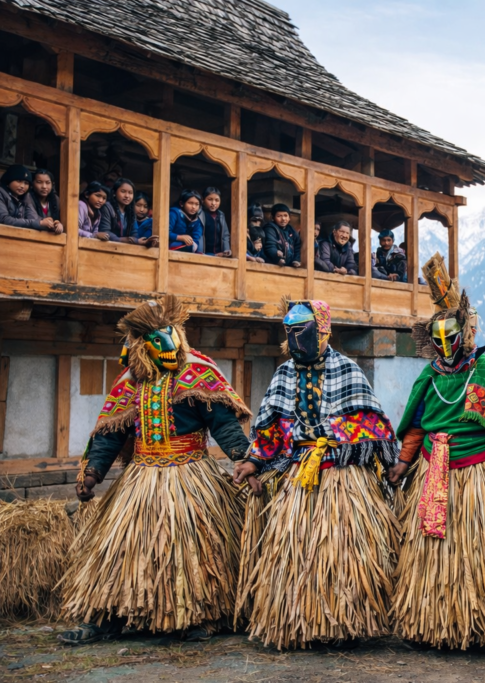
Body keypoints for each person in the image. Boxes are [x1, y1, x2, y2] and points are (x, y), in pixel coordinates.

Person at [57, 295, 253, 645]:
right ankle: (106, 619)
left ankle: (200, 617)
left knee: (199, 548)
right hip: (140, 480)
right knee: (119, 548)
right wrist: (92, 473)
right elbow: (110, 432)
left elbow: (223, 423)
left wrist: (243, 458)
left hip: (191, 477)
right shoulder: (130, 381)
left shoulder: (198, 372)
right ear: (140, 345)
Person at [233, 300, 400, 650]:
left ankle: (345, 625)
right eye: (289, 332)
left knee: (344, 554)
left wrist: (389, 463)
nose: (295, 339)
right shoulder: (284, 374)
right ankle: (300, 624)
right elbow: (271, 427)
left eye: (302, 331)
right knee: (295, 553)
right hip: (298, 479)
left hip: (343, 478)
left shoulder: (348, 370)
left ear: (323, 332)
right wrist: (255, 461)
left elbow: (372, 423)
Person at [387, 254, 485, 651]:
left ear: (465, 334)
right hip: (433, 472)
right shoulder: (429, 376)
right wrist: (403, 462)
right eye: (438, 341)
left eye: (451, 338)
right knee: (431, 554)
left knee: (481, 554)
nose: (445, 347)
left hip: (479, 479)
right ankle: (430, 625)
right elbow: (417, 425)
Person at [0, 164, 55, 232]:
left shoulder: (25, 197)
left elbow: (33, 217)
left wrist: (51, 223)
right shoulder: (1, 194)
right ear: (8, 181)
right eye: (18, 181)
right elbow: (4, 219)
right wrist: (39, 223)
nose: (22, 186)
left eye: (26, 183)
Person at [98, 178, 150, 245]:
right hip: (107, 246)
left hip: (125, 247)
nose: (127, 196)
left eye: (130, 193)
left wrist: (135, 240)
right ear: (114, 193)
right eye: (123, 191)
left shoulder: (130, 211)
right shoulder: (107, 207)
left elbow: (134, 232)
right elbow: (105, 231)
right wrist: (126, 240)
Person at [198, 187, 231, 257]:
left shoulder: (221, 215)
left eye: (217, 200)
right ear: (203, 200)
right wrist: (199, 252)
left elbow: (225, 235)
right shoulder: (200, 214)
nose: (213, 203)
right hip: (204, 253)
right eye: (210, 199)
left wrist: (226, 251)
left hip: (219, 254)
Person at [28, 168, 64, 234]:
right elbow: (32, 219)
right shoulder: (28, 197)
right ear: (32, 183)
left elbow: (59, 220)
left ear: (52, 184)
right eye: (39, 182)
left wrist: (59, 224)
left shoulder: (55, 199)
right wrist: (46, 223)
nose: (44, 186)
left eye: (48, 183)